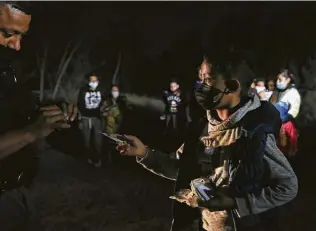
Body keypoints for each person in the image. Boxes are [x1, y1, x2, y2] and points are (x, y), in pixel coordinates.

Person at [115, 60, 297, 231]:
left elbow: (287, 186)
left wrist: (237, 203)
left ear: (233, 87)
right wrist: (144, 153)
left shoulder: (254, 132)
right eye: (200, 78)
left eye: (208, 79)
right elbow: (180, 168)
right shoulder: (202, 127)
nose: (200, 86)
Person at [0, 2, 78, 230]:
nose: (16, 46)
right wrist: (31, 132)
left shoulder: (8, 69)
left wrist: (49, 114)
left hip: (15, 196)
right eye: (8, 34)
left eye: (22, 36)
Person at [273, 69, 301, 159]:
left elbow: (294, 110)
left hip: (287, 125)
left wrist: (284, 119)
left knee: (287, 148)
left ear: (288, 80)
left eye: (280, 80)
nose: (277, 82)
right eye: (277, 79)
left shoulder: (293, 93)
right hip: (276, 124)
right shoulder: (278, 92)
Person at [77, 74, 104, 168]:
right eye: (92, 81)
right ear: (88, 81)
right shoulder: (83, 90)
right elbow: (79, 104)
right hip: (85, 119)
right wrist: (80, 119)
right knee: (86, 140)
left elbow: (103, 104)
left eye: (95, 81)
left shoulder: (101, 91)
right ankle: (88, 158)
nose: (94, 83)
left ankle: (97, 159)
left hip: (97, 119)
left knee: (98, 141)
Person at [100, 84, 124, 162]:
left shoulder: (122, 102)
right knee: (107, 145)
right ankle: (107, 160)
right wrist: (105, 113)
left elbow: (120, 118)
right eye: (113, 90)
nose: (115, 92)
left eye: (116, 90)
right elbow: (101, 111)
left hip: (118, 129)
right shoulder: (107, 101)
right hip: (108, 128)